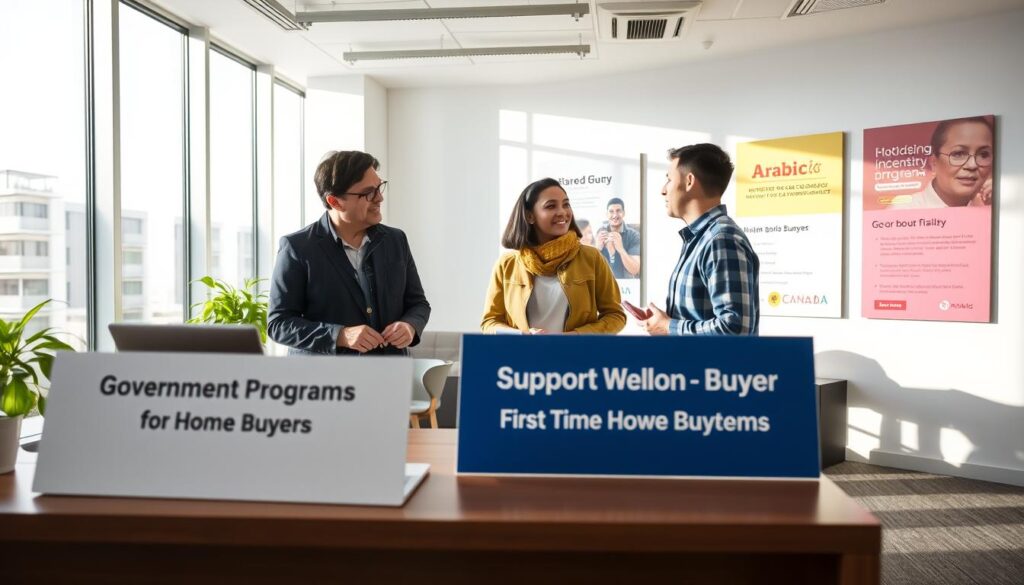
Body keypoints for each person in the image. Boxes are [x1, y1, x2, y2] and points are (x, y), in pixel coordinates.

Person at [268, 150, 430, 355]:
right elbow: (279, 324)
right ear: (335, 201)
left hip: (389, 376)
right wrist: (340, 335)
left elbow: (418, 304)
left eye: (380, 187)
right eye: (368, 192)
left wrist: (409, 326)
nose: (379, 197)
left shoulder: (396, 240)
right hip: (326, 383)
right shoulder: (297, 247)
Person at [640, 144, 759, 336]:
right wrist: (664, 322)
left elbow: (735, 330)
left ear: (689, 181)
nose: (663, 190)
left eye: (669, 179)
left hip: (713, 367)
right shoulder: (703, 238)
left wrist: (668, 326)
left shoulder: (720, 239)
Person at [481, 178, 625, 334]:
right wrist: (522, 335)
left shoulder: (592, 258)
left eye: (566, 204)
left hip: (576, 357)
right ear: (530, 216)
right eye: (551, 206)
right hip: (521, 357)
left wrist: (575, 337)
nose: (562, 212)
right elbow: (490, 323)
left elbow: (615, 316)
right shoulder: (507, 264)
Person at [890, 116, 994, 209]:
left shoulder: (989, 207)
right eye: (958, 154)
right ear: (934, 162)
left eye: (983, 155)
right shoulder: (904, 210)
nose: (972, 165)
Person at [595, 197, 641, 278]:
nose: (615, 215)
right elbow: (590, 269)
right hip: (603, 285)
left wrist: (621, 249)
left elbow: (635, 270)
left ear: (623, 213)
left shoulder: (634, 236)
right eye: (611, 211)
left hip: (626, 287)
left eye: (618, 211)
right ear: (607, 214)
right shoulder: (600, 233)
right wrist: (597, 249)